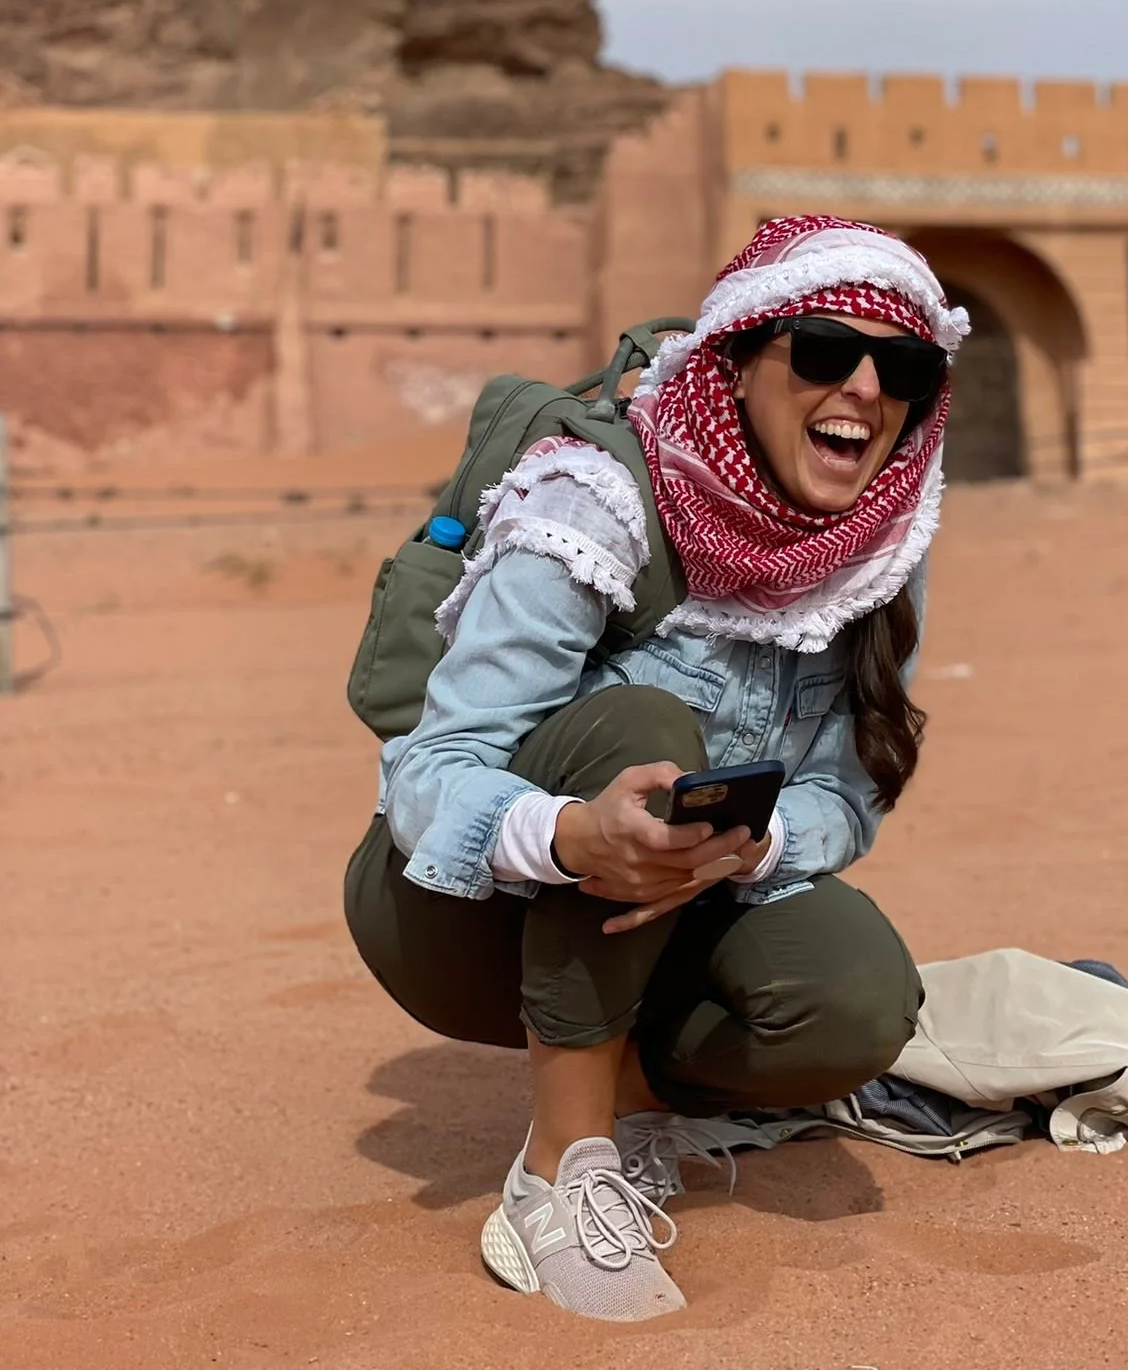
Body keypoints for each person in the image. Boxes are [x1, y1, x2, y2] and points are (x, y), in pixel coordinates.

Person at [344, 215, 969, 1321]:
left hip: (680, 902)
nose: (866, 387)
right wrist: (574, 834)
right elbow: (430, 768)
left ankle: (635, 1094)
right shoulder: (596, 498)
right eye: (824, 350)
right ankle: (562, 1164)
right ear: (736, 360)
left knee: (858, 1001)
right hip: (451, 906)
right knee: (645, 726)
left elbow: (848, 787)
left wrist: (753, 840)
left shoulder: (881, 552)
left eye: (905, 366)